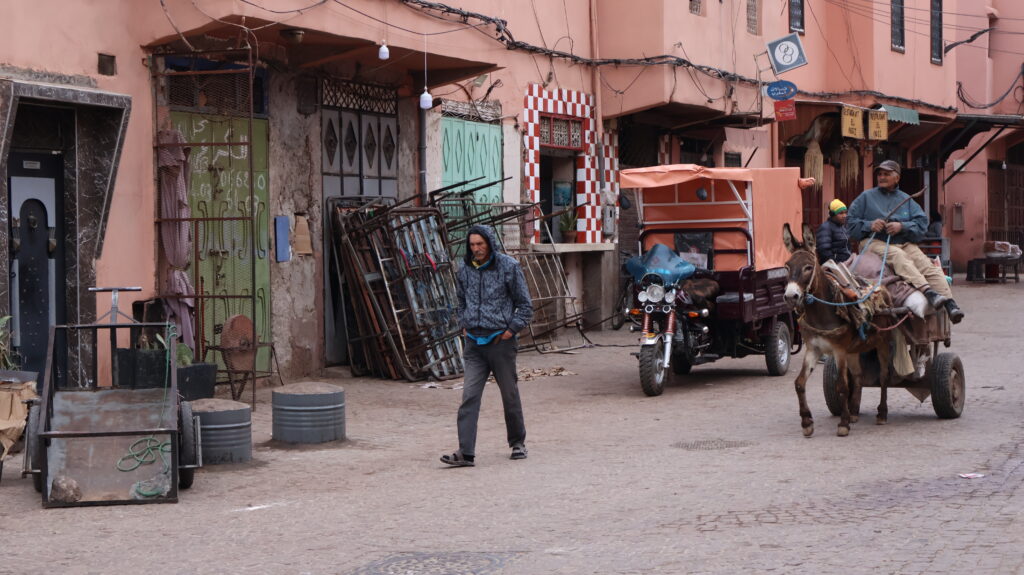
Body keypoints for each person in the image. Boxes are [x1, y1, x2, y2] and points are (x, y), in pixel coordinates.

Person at [441, 225, 533, 467]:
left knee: (509, 395)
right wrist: (463, 322)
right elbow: (460, 300)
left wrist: (510, 331)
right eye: (472, 245)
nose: (476, 249)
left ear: (490, 244)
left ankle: (517, 443)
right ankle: (466, 453)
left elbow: (525, 306)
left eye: (480, 244)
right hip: (474, 343)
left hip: (501, 343)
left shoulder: (509, 267)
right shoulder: (464, 269)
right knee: (469, 396)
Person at [846, 160, 964, 323]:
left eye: (886, 174)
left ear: (897, 178)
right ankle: (928, 292)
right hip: (874, 242)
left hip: (903, 242)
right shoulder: (865, 197)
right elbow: (850, 223)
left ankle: (950, 304)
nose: (882, 177)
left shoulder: (906, 200)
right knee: (898, 256)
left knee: (927, 265)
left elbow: (922, 225)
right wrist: (869, 225)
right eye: (880, 174)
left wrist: (902, 226)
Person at [816, 199, 852, 265]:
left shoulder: (843, 227)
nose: (844, 216)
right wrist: (835, 264)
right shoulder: (825, 227)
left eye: (845, 213)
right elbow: (824, 250)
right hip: (834, 265)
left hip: (846, 263)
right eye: (841, 213)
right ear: (832, 215)